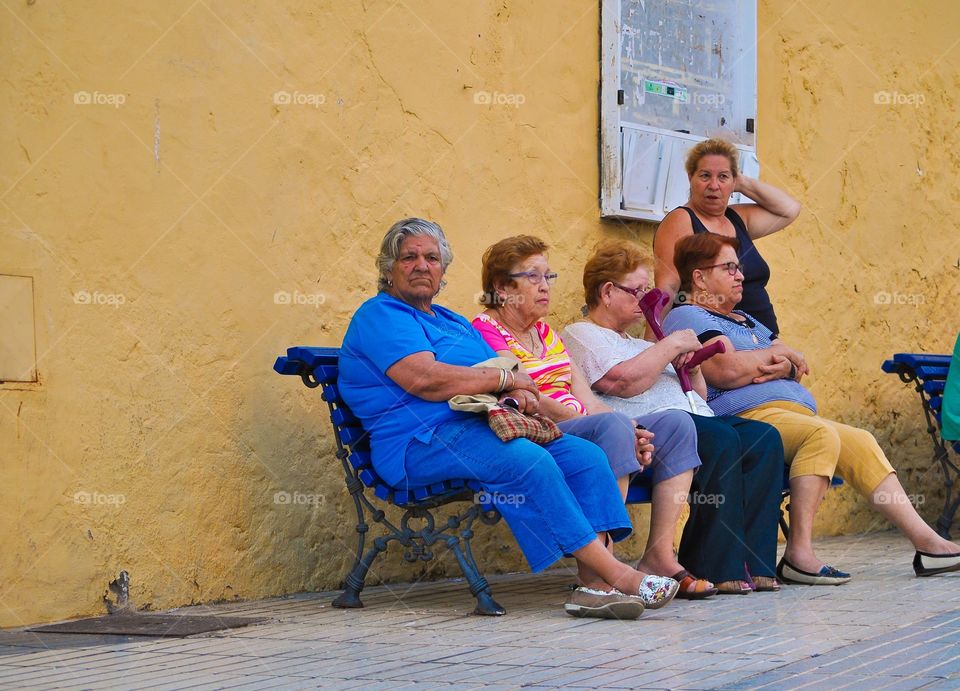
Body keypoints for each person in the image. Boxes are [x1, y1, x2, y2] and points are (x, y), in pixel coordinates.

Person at [337, 218, 679, 620]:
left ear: (443, 269)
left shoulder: (450, 321)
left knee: (585, 456)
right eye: (408, 257)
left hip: (478, 428)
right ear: (389, 267)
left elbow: (498, 370)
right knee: (527, 460)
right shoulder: (381, 315)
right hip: (417, 443)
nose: (421, 265)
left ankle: (593, 588)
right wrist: (505, 378)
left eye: (431, 257)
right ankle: (619, 574)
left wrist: (518, 390)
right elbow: (425, 380)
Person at [663, 232, 960, 582]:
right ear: (699, 277)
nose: (741, 275)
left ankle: (927, 544)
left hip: (794, 416)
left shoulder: (748, 321)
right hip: (746, 420)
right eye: (729, 268)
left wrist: (779, 364)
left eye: (739, 268)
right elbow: (724, 371)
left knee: (861, 440)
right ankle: (798, 554)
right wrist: (773, 358)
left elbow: (797, 366)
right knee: (819, 436)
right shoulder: (689, 316)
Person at [473, 235, 715, 599]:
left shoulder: (546, 333)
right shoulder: (486, 331)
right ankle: (601, 569)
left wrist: (632, 428)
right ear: (502, 288)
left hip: (580, 423)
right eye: (533, 277)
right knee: (611, 426)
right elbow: (530, 397)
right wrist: (609, 423)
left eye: (548, 277)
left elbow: (586, 398)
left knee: (677, 425)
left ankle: (660, 555)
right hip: (542, 430)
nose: (545, 286)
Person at [561, 239, 786, 594]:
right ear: (607, 292)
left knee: (764, 438)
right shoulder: (582, 334)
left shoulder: (641, 343)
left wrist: (690, 368)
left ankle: (755, 563)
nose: (646, 300)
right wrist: (670, 346)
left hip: (691, 417)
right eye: (637, 291)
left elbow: (694, 397)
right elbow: (620, 381)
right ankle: (713, 563)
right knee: (722, 440)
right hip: (650, 427)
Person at [653, 137, 801, 337]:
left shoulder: (737, 218)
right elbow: (667, 288)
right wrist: (653, 346)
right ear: (690, 178)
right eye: (705, 176)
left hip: (761, 340)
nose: (713, 185)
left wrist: (742, 183)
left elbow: (789, 210)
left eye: (722, 177)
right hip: (720, 343)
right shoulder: (681, 220)